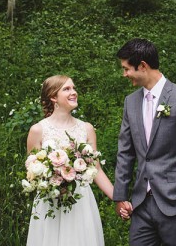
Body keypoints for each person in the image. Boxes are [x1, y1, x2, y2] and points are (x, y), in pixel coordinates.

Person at [113, 38, 176, 246]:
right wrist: (120, 196)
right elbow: (125, 153)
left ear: (143, 66)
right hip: (141, 205)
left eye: (127, 68)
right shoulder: (130, 102)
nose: (124, 74)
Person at [26, 75, 127, 246]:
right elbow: (32, 172)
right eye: (67, 89)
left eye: (74, 88)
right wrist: (54, 180)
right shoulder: (38, 130)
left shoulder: (86, 128)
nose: (74, 92)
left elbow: (97, 171)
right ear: (53, 96)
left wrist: (118, 199)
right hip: (51, 202)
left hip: (80, 201)